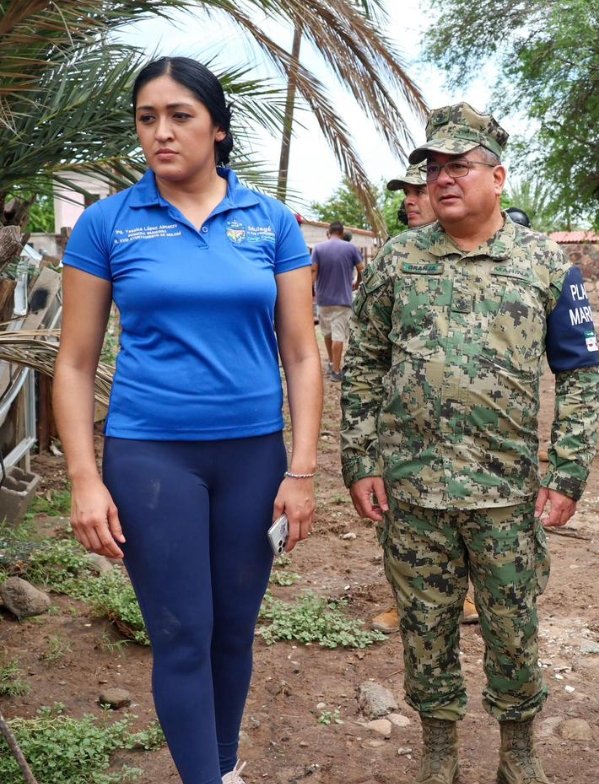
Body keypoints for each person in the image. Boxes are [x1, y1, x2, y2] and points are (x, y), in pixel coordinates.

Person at [53, 57, 321, 784]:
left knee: (233, 632)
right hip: (151, 459)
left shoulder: (270, 222)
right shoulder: (110, 223)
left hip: (254, 458)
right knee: (180, 633)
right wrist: (84, 479)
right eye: (147, 118)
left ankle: (224, 769)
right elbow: (73, 363)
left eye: (180, 116)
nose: (161, 132)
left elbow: (301, 355)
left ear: (218, 129)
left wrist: (301, 470)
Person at [340, 102, 599, 784]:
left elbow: (578, 374)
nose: (442, 179)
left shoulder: (544, 263)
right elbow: (364, 364)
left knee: (514, 631)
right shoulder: (396, 260)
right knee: (425, 628)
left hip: (507, 495)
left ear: (498, 176)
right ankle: (439, 754)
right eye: (432, 168)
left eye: (460, 166)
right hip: (414, 489)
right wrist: (361, 460)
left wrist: (567, 471)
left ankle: (518, 753)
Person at [370, 161, 479, 634]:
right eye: (406, 193)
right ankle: (409, 599)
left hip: (477, 447)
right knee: (402, 531)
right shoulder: (396, 259)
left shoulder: (483, 263)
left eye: (419, 191)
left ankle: (467, 598)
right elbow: (369, 357)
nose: (410, 201)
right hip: (406, 446)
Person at [311, 220, 363, 382]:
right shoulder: (351, 248)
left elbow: (313, 272)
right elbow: (362, 269)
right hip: (343, 300)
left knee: (327, 333)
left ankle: (333, 362)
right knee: (338, 335)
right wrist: (357, 282)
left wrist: (309, 293)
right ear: (342, 232)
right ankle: (335, 370)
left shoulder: (318, 249)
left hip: (323, 300)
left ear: (329, 232)